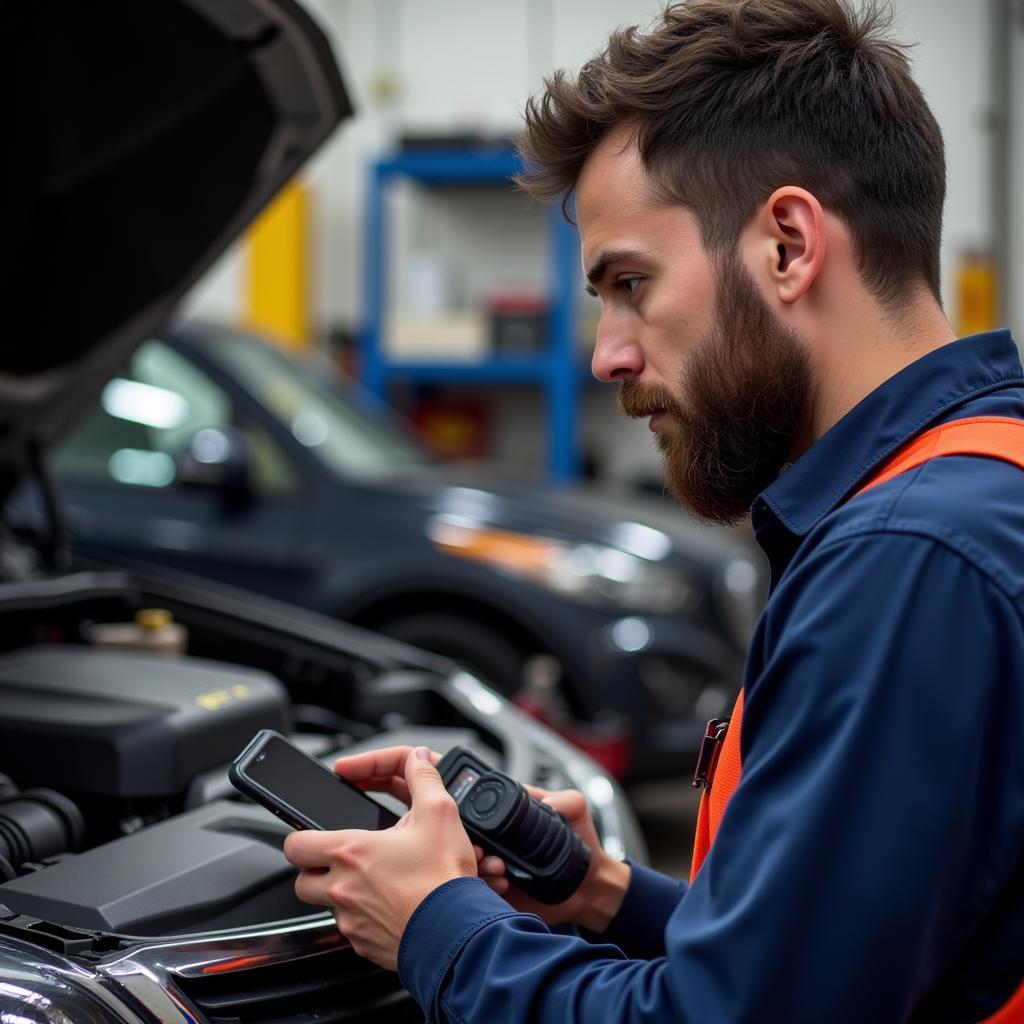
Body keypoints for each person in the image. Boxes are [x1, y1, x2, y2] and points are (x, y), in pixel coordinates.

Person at [283, 0, 1024, 1019]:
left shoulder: (907, 561)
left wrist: (438, 926)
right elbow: (841, 957)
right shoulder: (985, 483)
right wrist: (607, 895)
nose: (607, 353)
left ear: (787, 245)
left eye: (630, 282)